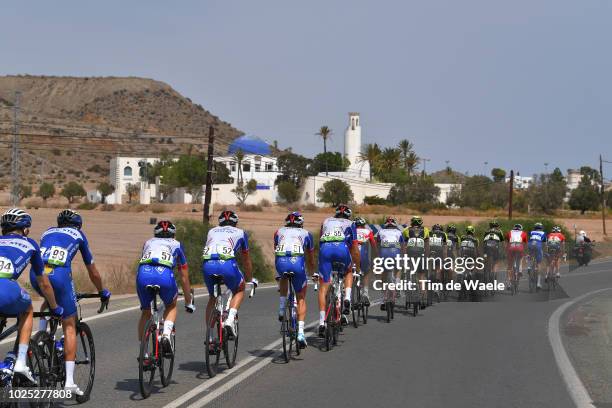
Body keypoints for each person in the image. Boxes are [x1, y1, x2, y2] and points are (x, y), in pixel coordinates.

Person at [30, 209, 110, 394]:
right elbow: (93, 272)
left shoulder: (47, 232)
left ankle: (40, 338)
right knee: (69, 324)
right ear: (78, 225)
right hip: (59, 276)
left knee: (49, 299)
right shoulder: (79, 235)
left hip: (37, 276)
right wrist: (102, 291)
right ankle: (70, 382)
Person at [0, 208, 63, 384]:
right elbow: (44, 283)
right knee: (27, 308)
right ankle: (20, 361)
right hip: (6, 287)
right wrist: (55, 307)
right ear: (25, 229)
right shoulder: (30, 244)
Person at [136, 220, 194, 359]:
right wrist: (188, 301)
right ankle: (167, 334)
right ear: (173, 235)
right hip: (164, 275)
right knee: (171, 305)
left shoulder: (148, 242)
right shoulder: (177, 244)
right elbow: (184, 277)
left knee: (146, 312)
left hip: (144, 274)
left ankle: (143, 353)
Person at [203, 211, 256, 339]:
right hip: (226, 264)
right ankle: (230, 319)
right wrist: (249, 278)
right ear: (235, 223)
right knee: (240, 288)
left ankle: (209, 337)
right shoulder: (241, 233)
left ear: (220, 222)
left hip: (208, 264)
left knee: (212, 297)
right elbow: (246, 259)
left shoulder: (212, 231)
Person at [315, 204, 360, 336]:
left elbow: (320, 241)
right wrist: (357, 265)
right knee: (348, 271)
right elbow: (355, 248)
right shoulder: (351, 224)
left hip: (325, 250)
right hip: (341, 249)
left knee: (324, 287)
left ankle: (322, 322)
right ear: (348, 215)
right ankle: (346, 298)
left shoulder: (326, 221)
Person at [274, 212, 315, 348]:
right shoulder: (306, 233)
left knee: (283, 277)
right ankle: (301, 334)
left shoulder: (278, 232)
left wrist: (278, 271)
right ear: (301, 223)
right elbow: (310, 258)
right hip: (297, 263)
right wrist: (312, 273)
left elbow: (277, 250)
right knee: (301, 297)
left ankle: (281, 308)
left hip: (281, 263)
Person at [375, 217, 404, 310]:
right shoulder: (399, 232)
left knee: (383, 273)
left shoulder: (381, 231)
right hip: (395, 253)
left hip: (384, 253)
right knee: (399, 268)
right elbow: (403, 246)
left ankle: (384, 298)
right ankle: (397, 284)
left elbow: (377, 244)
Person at [402, 216, 429, 306]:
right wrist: (427, 257)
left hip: (410, 254)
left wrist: (404, 256)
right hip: (421, 255)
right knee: (421, 277)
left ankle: (408, 292)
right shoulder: (425, 230)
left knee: (408, 274)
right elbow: (427, 246)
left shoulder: (406, 230)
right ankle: (423, 299)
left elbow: (404, 245)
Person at [354, 217, 377, 307]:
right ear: (364, 225)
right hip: (363, 255)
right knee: (367, 272)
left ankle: (349, 293)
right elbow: (374, 245)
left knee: (350, 273)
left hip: (352, 255)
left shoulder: (351, 231)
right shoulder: (368, 232)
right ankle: (365, 293)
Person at [527, 222, 547, 290]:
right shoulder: (543, 233)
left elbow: (528, 240)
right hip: (538, 246)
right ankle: (538, 283)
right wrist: (545, 252)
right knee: (539, 264)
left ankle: (529, 267)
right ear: (541, 228)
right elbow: (544, 244)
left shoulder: (531, 232)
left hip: (530, 245)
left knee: (530, 255)